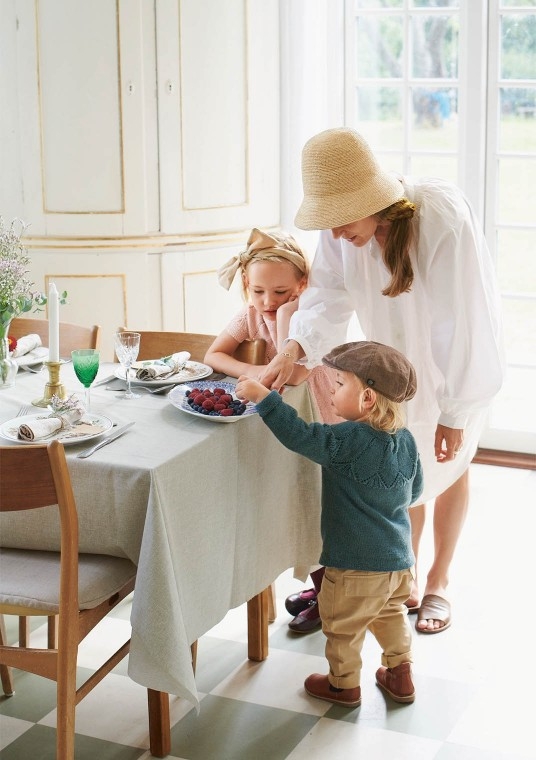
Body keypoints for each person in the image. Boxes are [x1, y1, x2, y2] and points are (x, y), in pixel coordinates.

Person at [259, 127, 505, 635]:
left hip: (451, 368)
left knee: (451, 463)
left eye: (341, 218)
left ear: (372, 200)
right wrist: (293, 348)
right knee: (404, 467)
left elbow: (461, 320)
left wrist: (455, 409)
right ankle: (405, 575)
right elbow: (327, 298)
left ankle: (439, 582)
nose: (334, 234)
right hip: (391, 368)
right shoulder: (342, 235)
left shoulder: (441, 217)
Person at [236, 340, 423, 707]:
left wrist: (264, 398)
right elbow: (414, 492)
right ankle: (400, 675)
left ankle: (343, 685)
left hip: (353, 567)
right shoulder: (406, 441)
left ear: (367, 398)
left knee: (343, 628)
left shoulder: (347, 439)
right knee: (391, 616)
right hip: (399, 564)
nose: (333, 391)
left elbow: (300, 435)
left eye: (338, 384)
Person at [205, 227, 340, 632]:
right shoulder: (250, 314)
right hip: (284, 422)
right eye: (258, 291)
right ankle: (323, 588)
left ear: (302, 285)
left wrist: (284, 319)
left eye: (280, 292)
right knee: (293, 498)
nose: (267, 302)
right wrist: (253, 370)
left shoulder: (306, 319)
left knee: (319, 503)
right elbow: (213, 354)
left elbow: (294, 375)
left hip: (321, 417)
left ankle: (332, 597)